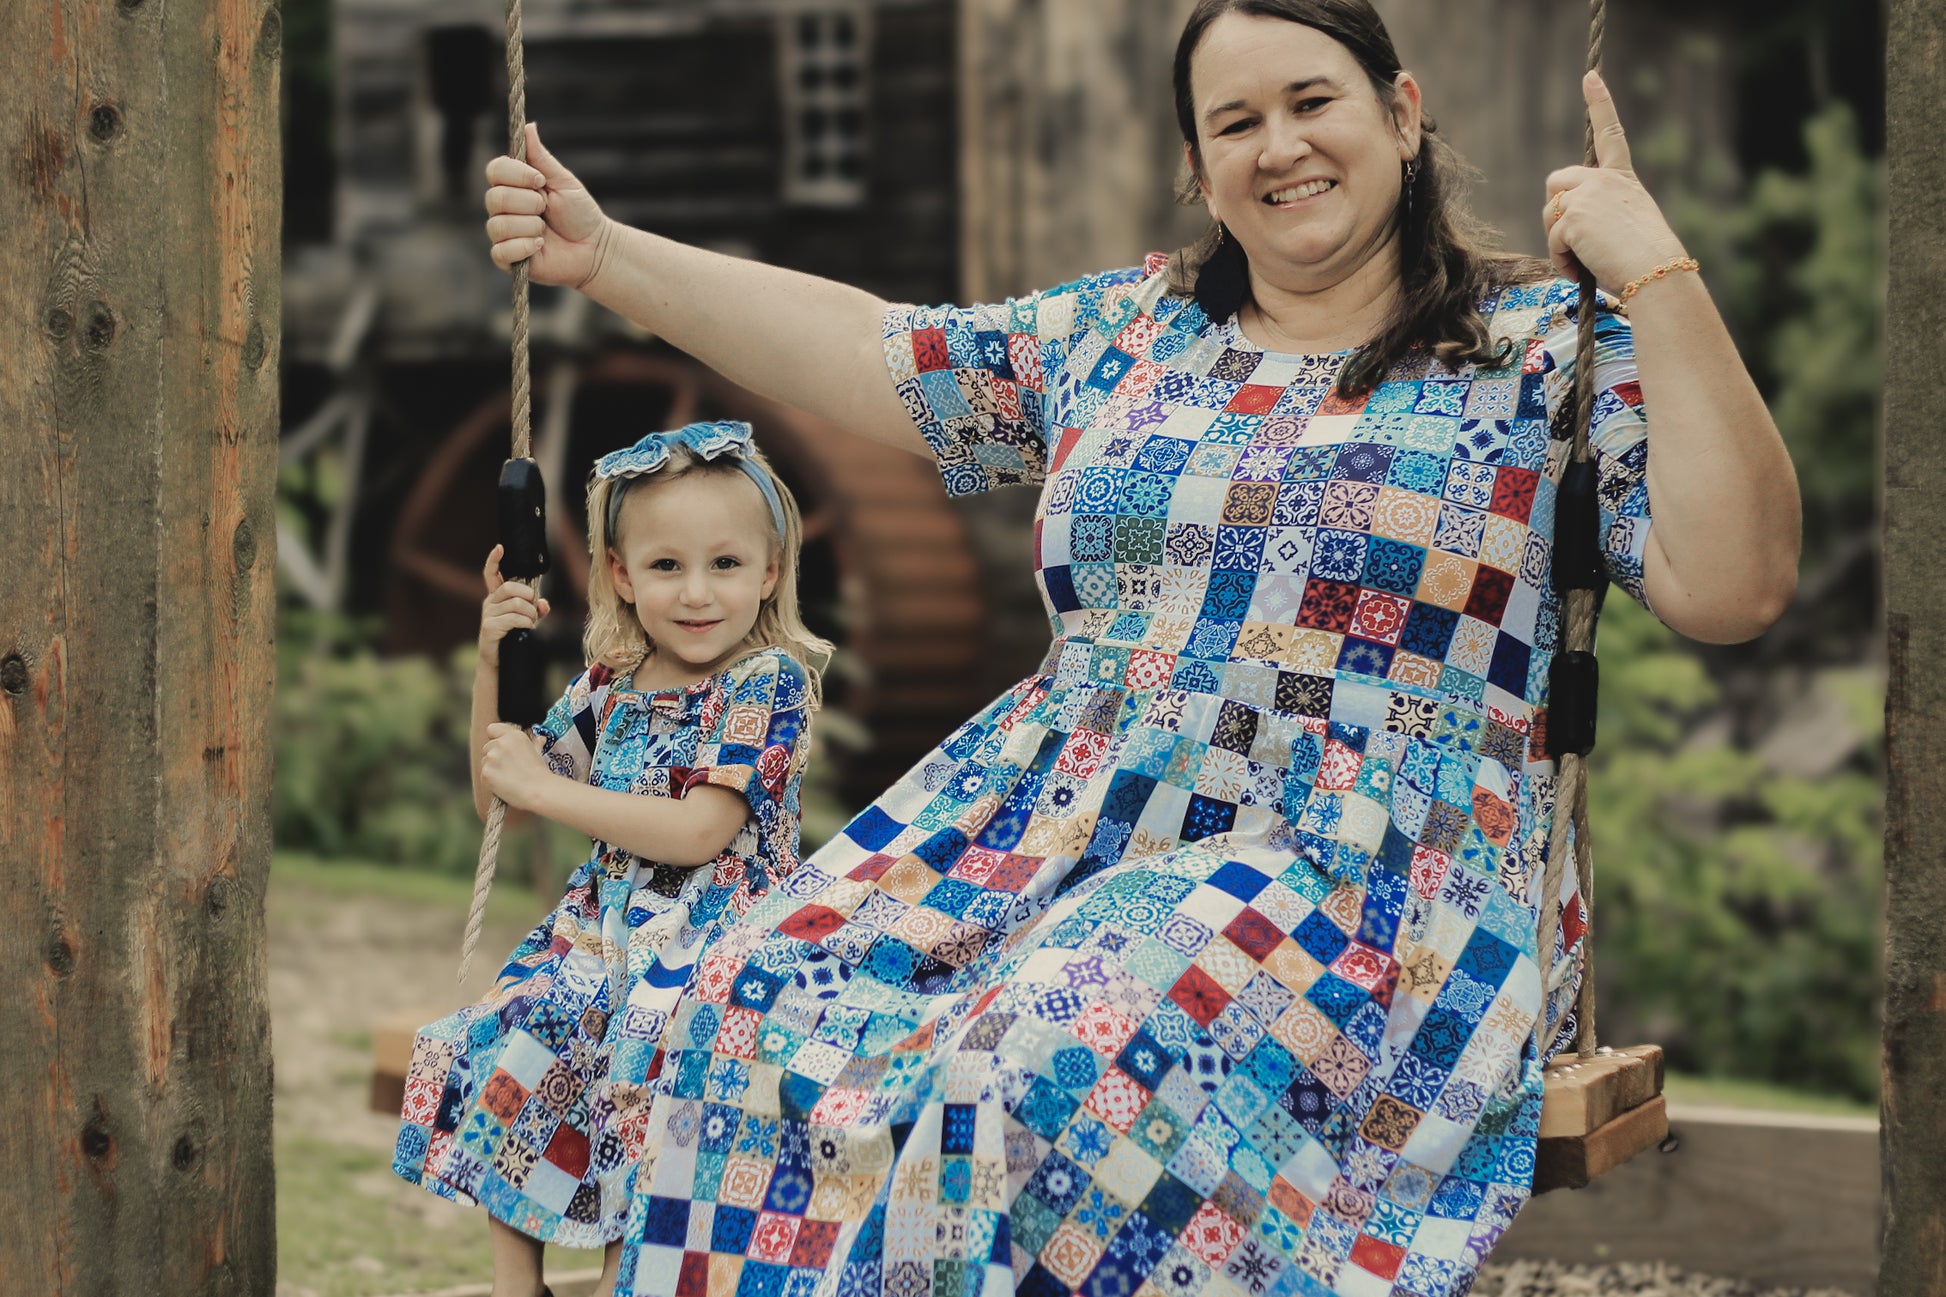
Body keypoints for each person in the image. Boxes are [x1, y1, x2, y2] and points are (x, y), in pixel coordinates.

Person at [482, 1, 1800, 1292]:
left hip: (1365, 874)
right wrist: (607, 258)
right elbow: (878, 351)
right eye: (1234, 122)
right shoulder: (1123, 337)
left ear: (1402, 116)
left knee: (1042, 1052)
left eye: (1310, 102)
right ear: (1198, 169)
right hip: (1038, 829)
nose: (1275, 144)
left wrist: (1656, 275)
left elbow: (1731, 586)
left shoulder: (1536, 357)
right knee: (745, 993)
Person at [392, 422, 832, 1297]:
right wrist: (492, 664)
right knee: (519, 1022)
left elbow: (700, 831)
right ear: (624, 576)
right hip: (601, 933)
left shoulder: (765, 681)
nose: (697, 592)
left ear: (770, 572)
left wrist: (549, 792)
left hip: (719, 937)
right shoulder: (610, 684)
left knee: (646, 1047)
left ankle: (617, 1279)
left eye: (726, 564)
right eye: (666, 566)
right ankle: (520, 1282)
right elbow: (502, 805)